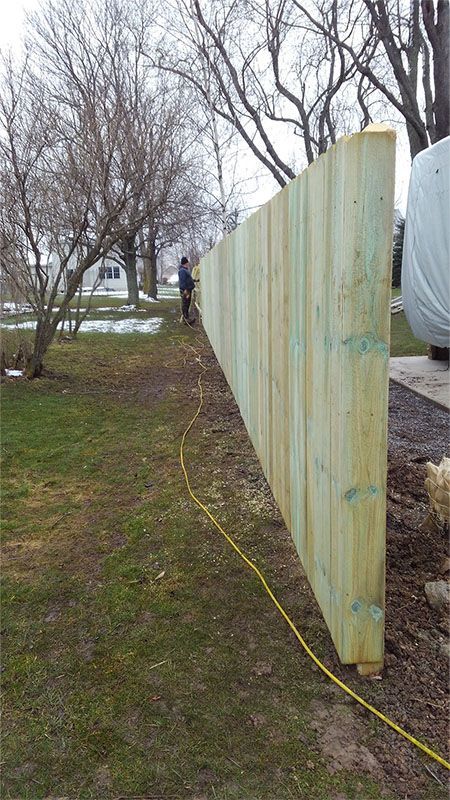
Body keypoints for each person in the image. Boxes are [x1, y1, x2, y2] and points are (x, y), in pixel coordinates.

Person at [178, 256, 195, 324]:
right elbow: (183, 281)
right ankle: (186, 319)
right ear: (185, 263)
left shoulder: (184, 270)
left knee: (187, 304)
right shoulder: (182, 271)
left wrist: (195, 280)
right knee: (185, 304)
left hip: (187, 290)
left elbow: (188, 279)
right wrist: (185, 291)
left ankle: (186, 318)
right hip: (186, 291)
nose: (188, 263)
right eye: (187, 262)